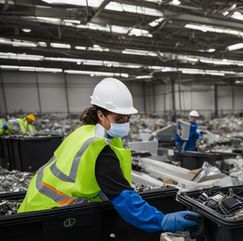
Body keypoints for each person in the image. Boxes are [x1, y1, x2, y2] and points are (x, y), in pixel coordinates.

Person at [18, 78, 199, 233]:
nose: (124, 123)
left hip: (36, 202)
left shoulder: (86, 133)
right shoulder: (97, 147)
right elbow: (122, 197)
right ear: (100, 115)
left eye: (127, 118)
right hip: (46, 215)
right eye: (118, 118)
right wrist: (161, 220)